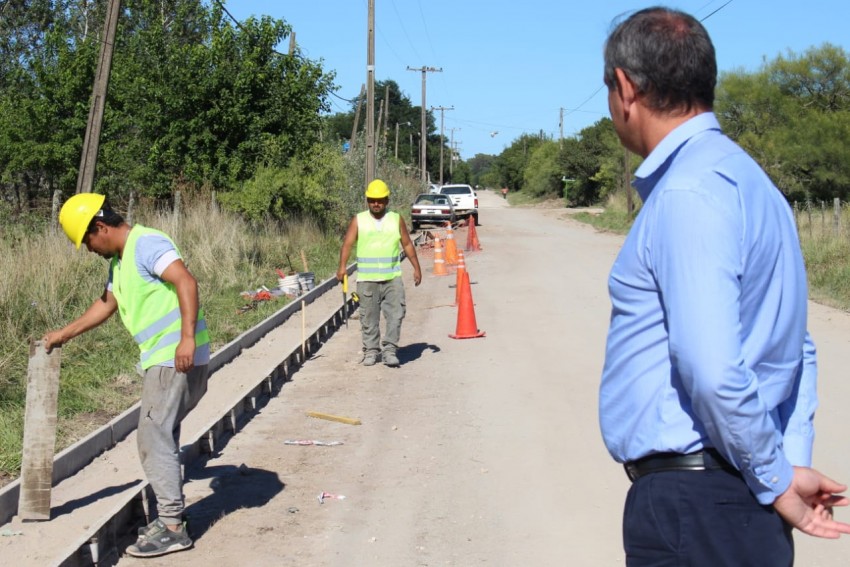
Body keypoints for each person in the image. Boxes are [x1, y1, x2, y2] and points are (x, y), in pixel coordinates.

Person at [598, 7, 850, 566]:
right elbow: (797, 348)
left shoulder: (688, 194)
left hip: (696, 506)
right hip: (734, 503)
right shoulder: (752, 184)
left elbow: (711, 369)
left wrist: (777, 481)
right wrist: (783, 466)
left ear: (625, 87)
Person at [44, 193, 210, 558]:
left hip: (175, 356)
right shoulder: (120, 263)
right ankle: (170, 515)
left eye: (87, 240)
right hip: (166, 357)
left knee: (151, 434)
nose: (88, 249)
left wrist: (185, 339)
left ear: (100, 227)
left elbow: (186, 282)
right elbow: (106, 303)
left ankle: (172, 526)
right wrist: (63, 335)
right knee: (163, 433)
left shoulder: (145, 244)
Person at [336, 179, 422, 367]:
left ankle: (390, 350)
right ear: (367, 200)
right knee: (369, 317)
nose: (376, 203)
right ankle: (371, 351)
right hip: (367, 280)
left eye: (380, 200)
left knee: (396, 314)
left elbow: (407, 244)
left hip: (392, 278)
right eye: (372, 200)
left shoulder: (396, 219)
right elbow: (348, 244)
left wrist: (416, 267)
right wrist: (342, 267)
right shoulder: (358, 220)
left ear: (387, 200)